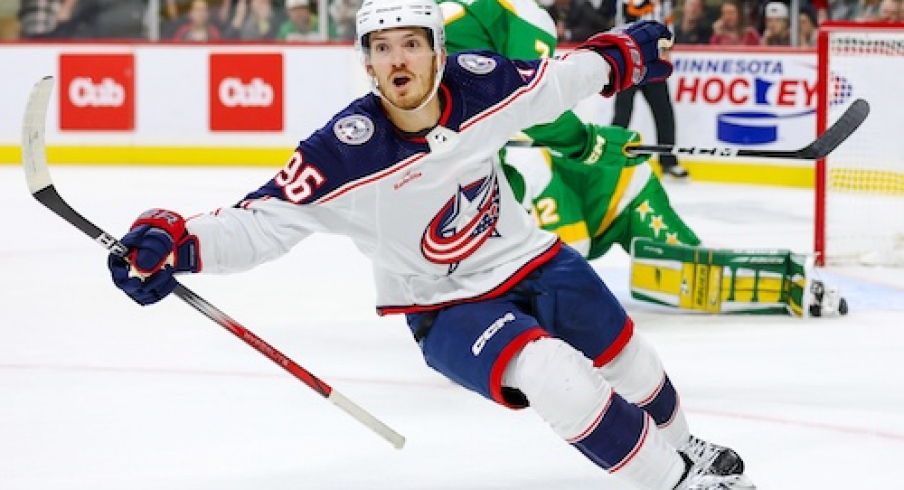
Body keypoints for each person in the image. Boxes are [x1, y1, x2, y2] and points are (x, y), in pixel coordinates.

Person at [107, 0, 755, 488]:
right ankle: (677, 483)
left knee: (628, 357)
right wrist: (179, 241)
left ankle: (684, 447)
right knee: (555, 374)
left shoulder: (481, 82)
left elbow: (552, 83)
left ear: (437, 50)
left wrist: (617, 59)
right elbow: (261, 223)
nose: (398, 61)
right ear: (366, 61)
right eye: (382, 48)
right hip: (442, 305)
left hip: (529, 257)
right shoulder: (341, 152)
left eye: (412, 44)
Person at [441, 0, 846, 319]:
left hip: (625, 195)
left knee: (688, 275)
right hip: (560, 181)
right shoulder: (514, 19)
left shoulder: (519, 173)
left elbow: (571, 248)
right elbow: (530, 107)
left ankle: (790, 280)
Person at [612, 0, 687, 179]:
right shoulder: (625, 2)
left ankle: (668, 161)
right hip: (629, 63)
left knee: (664, 113)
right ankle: (612, 156)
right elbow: (625, 22)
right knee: (622, 113)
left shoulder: (664, 3)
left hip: (653, 63)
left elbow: (666, 23)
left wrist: (667, 48)